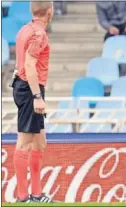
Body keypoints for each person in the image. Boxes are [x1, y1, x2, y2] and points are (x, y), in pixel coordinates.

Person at [11, 1, 55, 203]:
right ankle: (22, 197)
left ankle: (36, 195)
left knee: (40, 142)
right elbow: (29, 64)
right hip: (31, 89)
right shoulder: (39, 34)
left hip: (25, 86)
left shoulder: (24, 30)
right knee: (25, 142)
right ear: (49, 11)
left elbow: (20, 60)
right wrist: (37, 96)